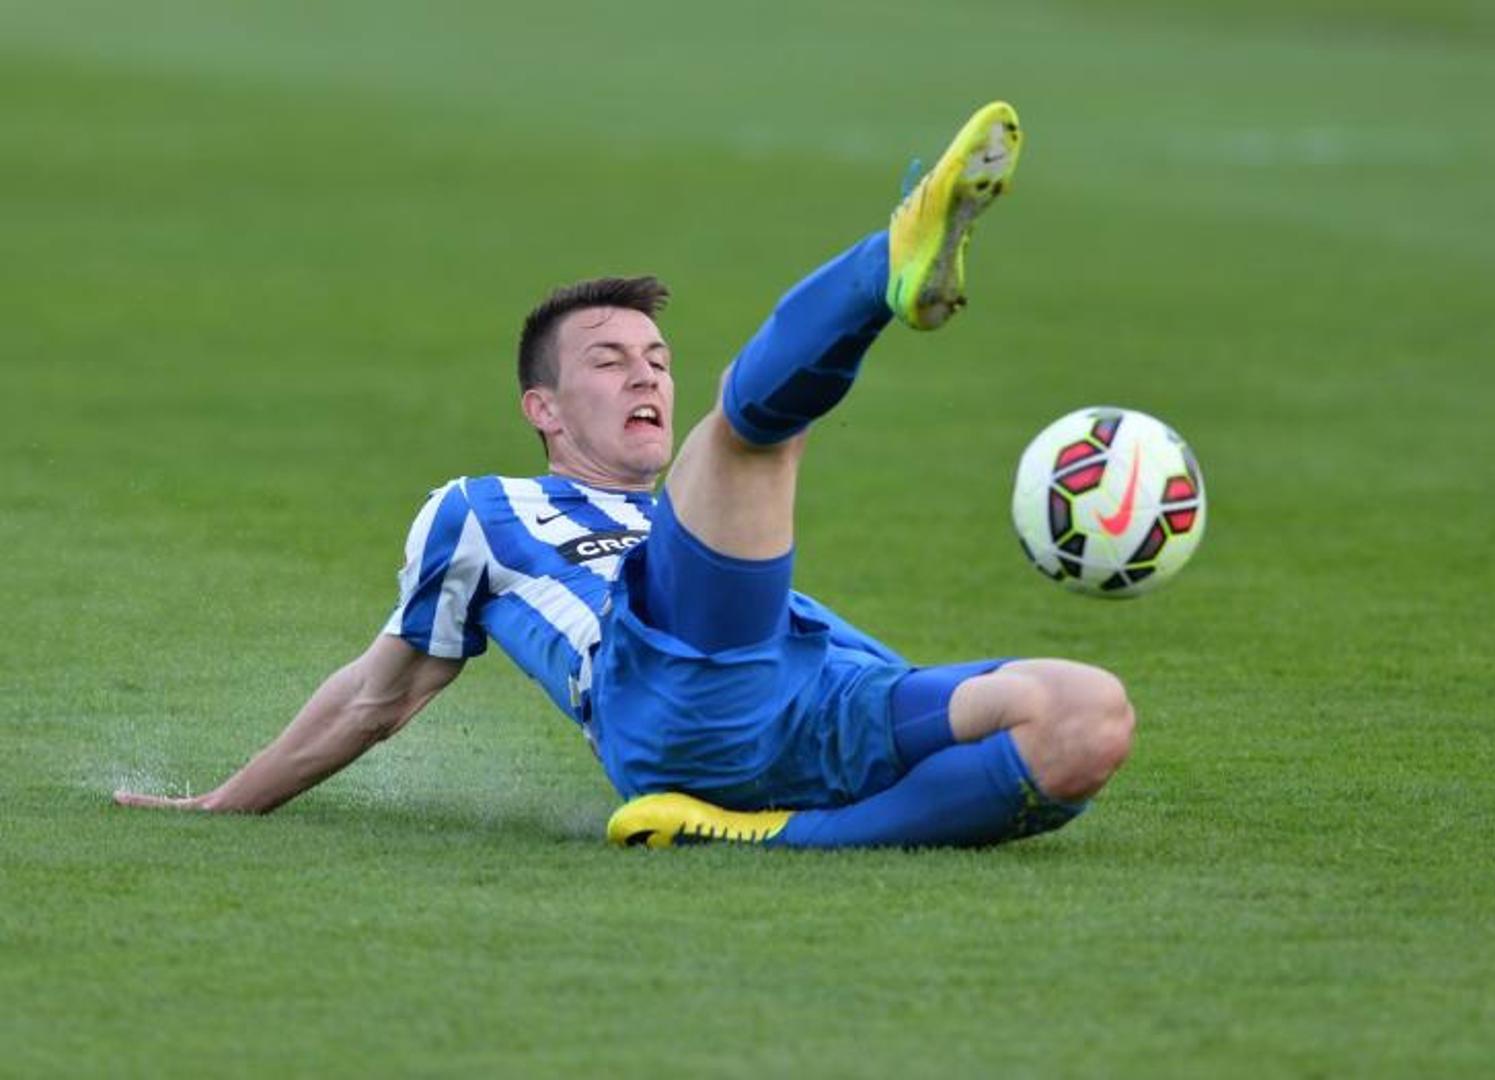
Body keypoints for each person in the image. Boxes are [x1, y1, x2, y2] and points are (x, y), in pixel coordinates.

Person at [115, 102, 1135, 849]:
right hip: (671, 698)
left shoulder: (690, 520)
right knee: (751, 435)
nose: (645, 375)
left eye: (655, 358)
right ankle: (888, 265)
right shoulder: (484, 511)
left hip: (815, 696)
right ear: (544, 410)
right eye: (609, 361)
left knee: (1086, 722)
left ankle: (775, 835)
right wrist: (223, 804)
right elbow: (374, 697)